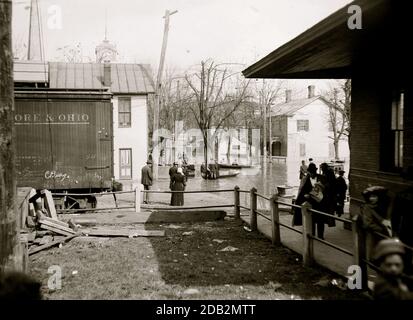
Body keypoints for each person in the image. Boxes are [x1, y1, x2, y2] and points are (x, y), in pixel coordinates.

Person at [361, 186, 393, 260]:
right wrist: (381, 230)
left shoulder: (381, 206)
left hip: (383, 235)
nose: (371, 199)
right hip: (374, 235)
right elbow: (367, 224)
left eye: (374, 196)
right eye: (370, 196)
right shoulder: (367, 207)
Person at [392, 186, 413, 275]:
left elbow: (395, 215)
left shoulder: (403, 194)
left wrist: (395, 230)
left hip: (407, 228)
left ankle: (406, 273)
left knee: (406, 254)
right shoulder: (404, 195)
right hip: (407, 229)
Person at [293, 162, 319, 227]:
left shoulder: (320, 178)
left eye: (313, 171)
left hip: (318, 202)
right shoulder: (305, 179)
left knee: (319, 220)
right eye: (311, 172)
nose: (312, 173)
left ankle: (320, 236)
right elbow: (301, 189)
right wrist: (304, 195)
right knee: (310, 219)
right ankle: (311, 235)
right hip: (308, 202)